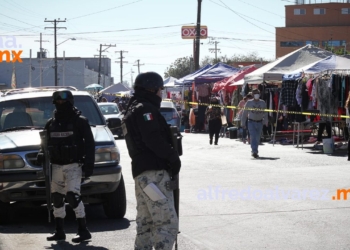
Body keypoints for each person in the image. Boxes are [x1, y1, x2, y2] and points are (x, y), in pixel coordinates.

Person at [122, 72, 181, 250]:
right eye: (160, 89)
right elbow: (153, 138)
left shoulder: (132, 109)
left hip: (142, 176)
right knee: (166, 223)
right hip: (154, 175)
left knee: (146, 225)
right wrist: (172, 157)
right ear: (152, 89)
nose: (161, 93)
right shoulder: (145, 109)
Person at [37, 90, 95, 243]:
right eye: (58, 102)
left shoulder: (80, 121)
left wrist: (89, 165)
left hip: (74, 165)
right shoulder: (51, 123)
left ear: (70, 102)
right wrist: (41, 153)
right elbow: (45, 143)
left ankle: (83, 230)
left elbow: (89, 144)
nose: (61, 104)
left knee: (72, 196)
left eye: (64, 102)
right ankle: (59, 231)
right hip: (56, 166)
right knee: (56, 198)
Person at [241, 88, 268, 158]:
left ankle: (255, 149)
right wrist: (243, 123)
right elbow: (245, 113)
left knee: (257, 137)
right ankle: (254, 151)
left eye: (257, 93)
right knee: (253, 136)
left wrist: (265, 121)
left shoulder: (262, 102)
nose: (257, 95)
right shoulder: (249, 103)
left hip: (260, 122)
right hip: (251, 122)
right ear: (253, 95)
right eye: (255, 93)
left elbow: (265, 113)